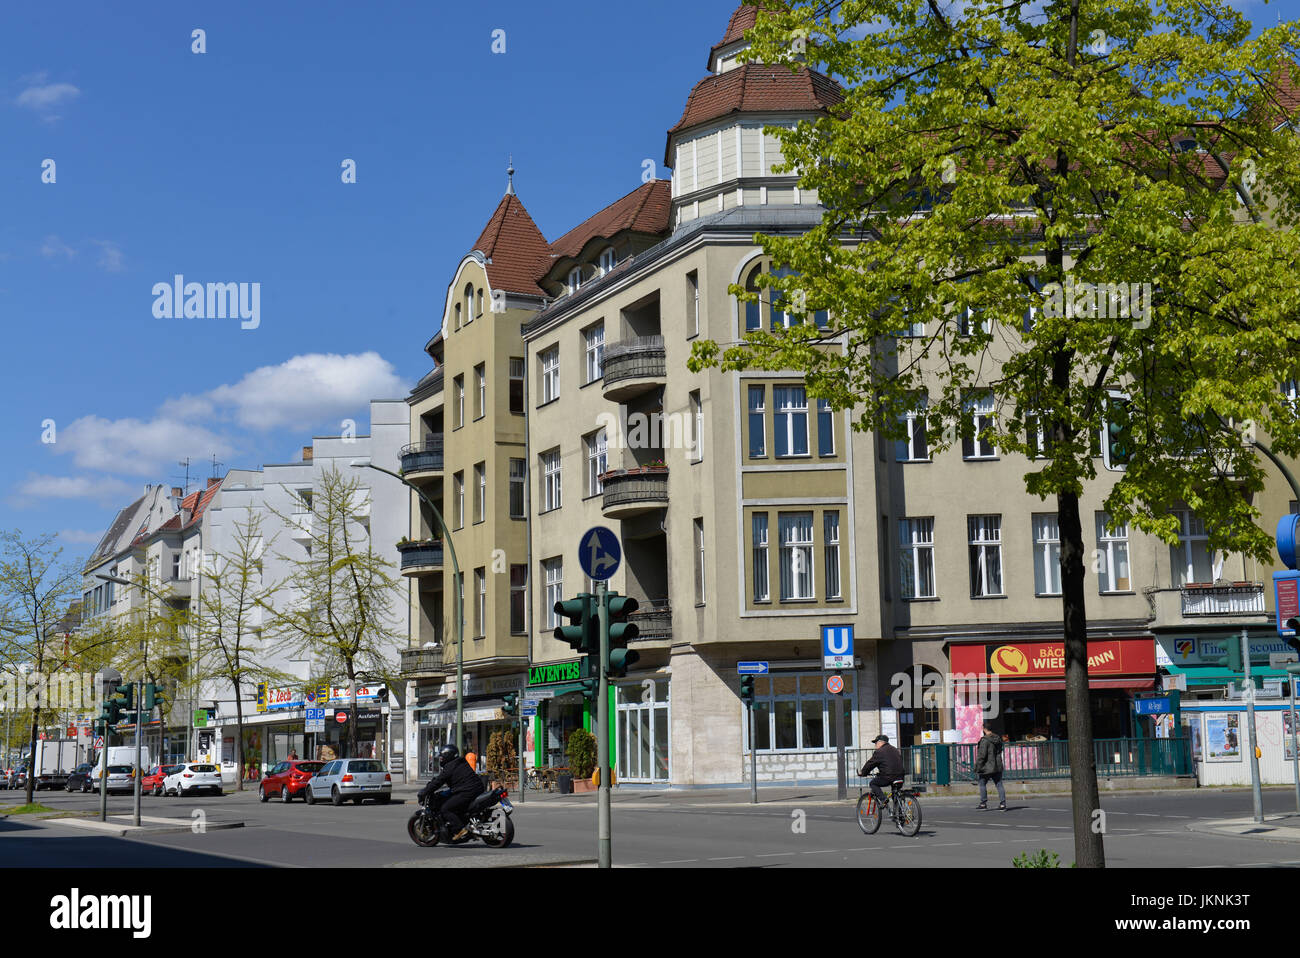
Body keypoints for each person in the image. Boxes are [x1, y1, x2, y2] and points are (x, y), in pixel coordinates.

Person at [418, 743, 483, 841]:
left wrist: (425, 791)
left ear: (447, 756)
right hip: (477, 788)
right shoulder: (461, 762)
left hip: (466, 791)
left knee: (446, 808)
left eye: (442, 757)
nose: (441, 759)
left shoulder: (450, 767)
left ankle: (460, 830)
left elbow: (438, 782)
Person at [859, 733, 904, 809]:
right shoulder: (895, 749)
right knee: (895, 795)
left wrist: (863, 773)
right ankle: (900, 817)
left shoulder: (880, 751)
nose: (875, 745)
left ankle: (883, 800)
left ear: (881, 742)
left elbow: (870, 763)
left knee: (873, 783)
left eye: (876, 743)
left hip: (888, 777)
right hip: (900, 776)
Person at [976, 723, 1007, 810]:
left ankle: (983, 803)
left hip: (987, 766)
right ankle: (1003, 804)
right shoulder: (997, 738)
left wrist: (978, 766)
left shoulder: (985, 740)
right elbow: (1000, 750)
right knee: (999, 784)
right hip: (997, 764)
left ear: (984, 728)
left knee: (982, 783)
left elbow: (982, 755)